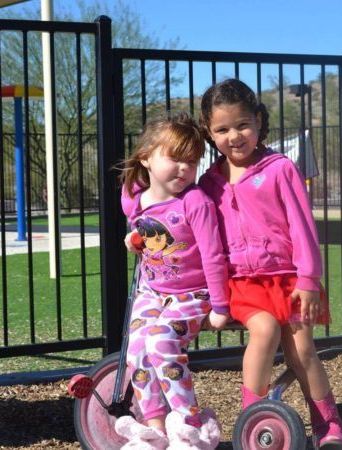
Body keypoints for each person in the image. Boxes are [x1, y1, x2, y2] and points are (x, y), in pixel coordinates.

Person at [198, 79, 342, 450]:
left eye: (242, 125)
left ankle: (328, 425)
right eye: (222, 129)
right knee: (264, 330)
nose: (234, 135)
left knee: (302, 351)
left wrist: (309, 279)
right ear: (208, 131)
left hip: (291, 281)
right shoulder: (208, 183)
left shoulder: (279, 168)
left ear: (259, 121)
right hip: (244, 284)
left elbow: (303, 226)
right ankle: (254, 418)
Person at [115, 111, 229, 450]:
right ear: (147, 157)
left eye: (191, 162)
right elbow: (139, 225)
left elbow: (213, 254)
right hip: (152, 292)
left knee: (162, 344)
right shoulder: (135, 200)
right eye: (175, 158)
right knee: (137, 350)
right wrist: (133, 236)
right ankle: (157, 432)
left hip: (191, 294)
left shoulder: (195, 201)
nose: (184, 169)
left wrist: (220, 306)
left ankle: (189, 429)